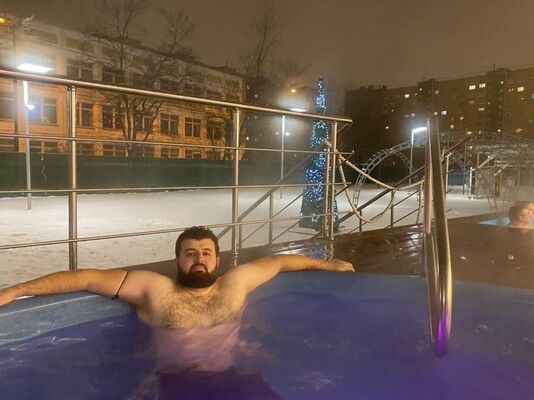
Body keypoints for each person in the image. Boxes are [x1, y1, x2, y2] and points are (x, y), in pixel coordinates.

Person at [0, 226, 354, 328]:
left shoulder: (236, 283)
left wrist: (329, 265)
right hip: (176, 384)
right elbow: (87, 278)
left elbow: (278, 262)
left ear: (217, 259)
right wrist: (16, 290)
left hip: (234, 377)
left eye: (206, 253)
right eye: (190, 253)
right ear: (178, 259)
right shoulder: (154, 288)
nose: (199, 259)